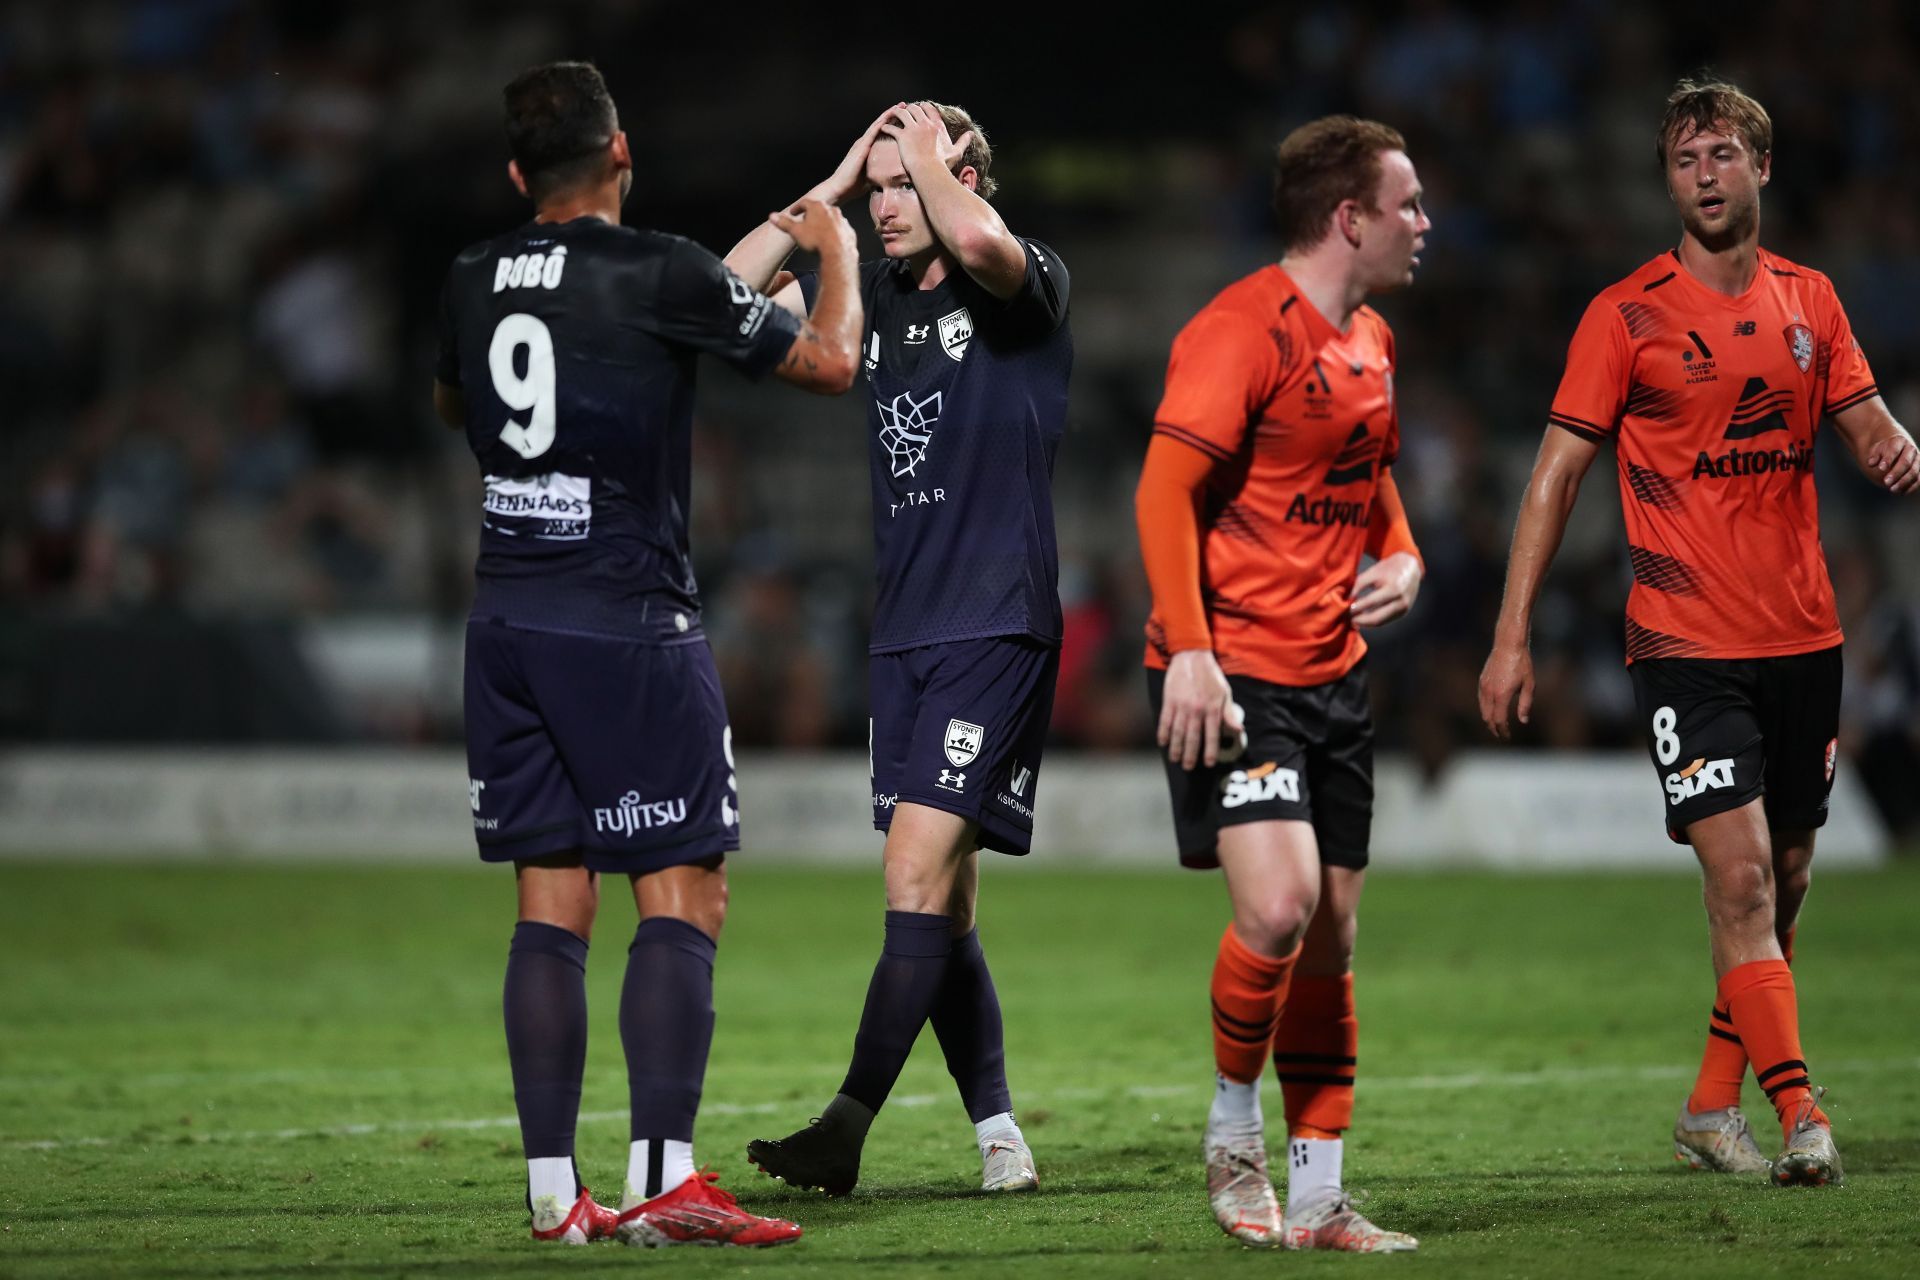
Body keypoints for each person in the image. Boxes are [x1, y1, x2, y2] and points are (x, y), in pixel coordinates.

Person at [432, 60, 862, 1247]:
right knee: (685, 890)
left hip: (506, 617)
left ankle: (553, 1197)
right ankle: (668, 1183)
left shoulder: (473, 276)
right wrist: (837, 256)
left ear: (521, 174)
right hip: (625, 619)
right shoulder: (657, 269)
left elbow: (456, 404)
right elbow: (829, 363)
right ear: (624, 154)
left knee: (551, 900)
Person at [1478, 77, 1918, 1187]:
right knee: (1742, 884)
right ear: (1668, 180)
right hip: (1685, 642)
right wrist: (1510, 635)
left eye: (1722, 154)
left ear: (1761, 167)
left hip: (1806, 637)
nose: (1705, 175)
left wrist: (1893, 447)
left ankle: (1709, 1107)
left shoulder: (1812, 302)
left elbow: (1868, 426)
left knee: (1790, 875)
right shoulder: (1624, 315)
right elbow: (1554, 476)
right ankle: (1803, 1112)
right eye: (1685, 161)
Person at [722, 101, 1072, 1195]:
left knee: (911, 869)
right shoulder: (866, 297)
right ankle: (1001, 1132)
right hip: (907, 632)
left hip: (995, 621)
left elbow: (976, 238)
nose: (884, 205)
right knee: (947, 903)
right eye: (875, 190)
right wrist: (824, 192)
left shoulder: (1024, 281)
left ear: (964, 176)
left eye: (901, 183)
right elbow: (727, 296)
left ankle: (844, 1124)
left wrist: (930, 151)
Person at [1136, 115, 1427, 1252]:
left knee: (1334, 935)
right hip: (1234, 668)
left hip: (1333, 675)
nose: (1423, 223)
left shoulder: (1374, 342)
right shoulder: (1238, 330)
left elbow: (1369, 480)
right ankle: (1229, 1132)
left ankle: (1319, 1196)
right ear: (1349, 217)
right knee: (1277, 904)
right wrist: (1195, 650)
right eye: (1406, 204)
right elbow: (1164, 492)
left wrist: (1401, 553)